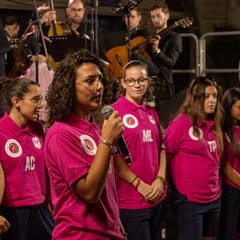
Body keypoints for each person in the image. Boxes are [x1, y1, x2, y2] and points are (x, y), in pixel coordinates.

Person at [44, 49, 124, 239]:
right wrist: (106, 141)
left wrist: (116, 222)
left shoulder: (94, 127)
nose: (99, 87)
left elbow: (107, 186)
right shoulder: (60, 134)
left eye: (100, 79)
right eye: (90, 81)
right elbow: (89, 192)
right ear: (69, 87)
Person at [112, 60, 167, 240]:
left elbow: (162, 148)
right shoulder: (115, 113)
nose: (137, 84)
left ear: (148, 82)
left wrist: (160, 179)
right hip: (131, 200)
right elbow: (113, 156)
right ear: (123, 83)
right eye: (131, 80)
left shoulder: (152, 113)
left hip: (157, 195)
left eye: (141, 80)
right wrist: (138, 184)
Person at [164, 76, 223, 240]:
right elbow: (166, 157)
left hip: (214, 197)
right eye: (207, 96)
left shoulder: (215, 125)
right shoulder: (180, 125)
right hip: (189, 199)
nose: (212, 100)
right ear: (196, 98)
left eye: (215, 96)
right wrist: (168, 187)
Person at [0, 77, 54, 240]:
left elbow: (45, 170)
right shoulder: (1, 131)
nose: (40, 104)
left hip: (40, 209)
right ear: (17, 102)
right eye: (35, 99)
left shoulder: (37, 128)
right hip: (11, 212)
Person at [131, 3, 182, 101]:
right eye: (153, 17)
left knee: (135, 56)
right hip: (146, 74)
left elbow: (170, 62)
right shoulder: (150, 37)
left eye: (158, 16)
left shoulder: (175, 38)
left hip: (161, 75)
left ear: (167, 16)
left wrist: (157, 50)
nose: (155, 20)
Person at [104, 7, 151, 79]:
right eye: (127, 16)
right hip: (115, 69)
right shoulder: (119, 28)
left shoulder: (144, 35)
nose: (129, 19)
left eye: (132, 17)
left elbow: (145, 58)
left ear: (139, 18)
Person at [218, 88, 240, 240]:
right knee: (229, 233)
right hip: (231, 190)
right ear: (229, 106)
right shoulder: (221, 131)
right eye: (239, 107)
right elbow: (226, 168)